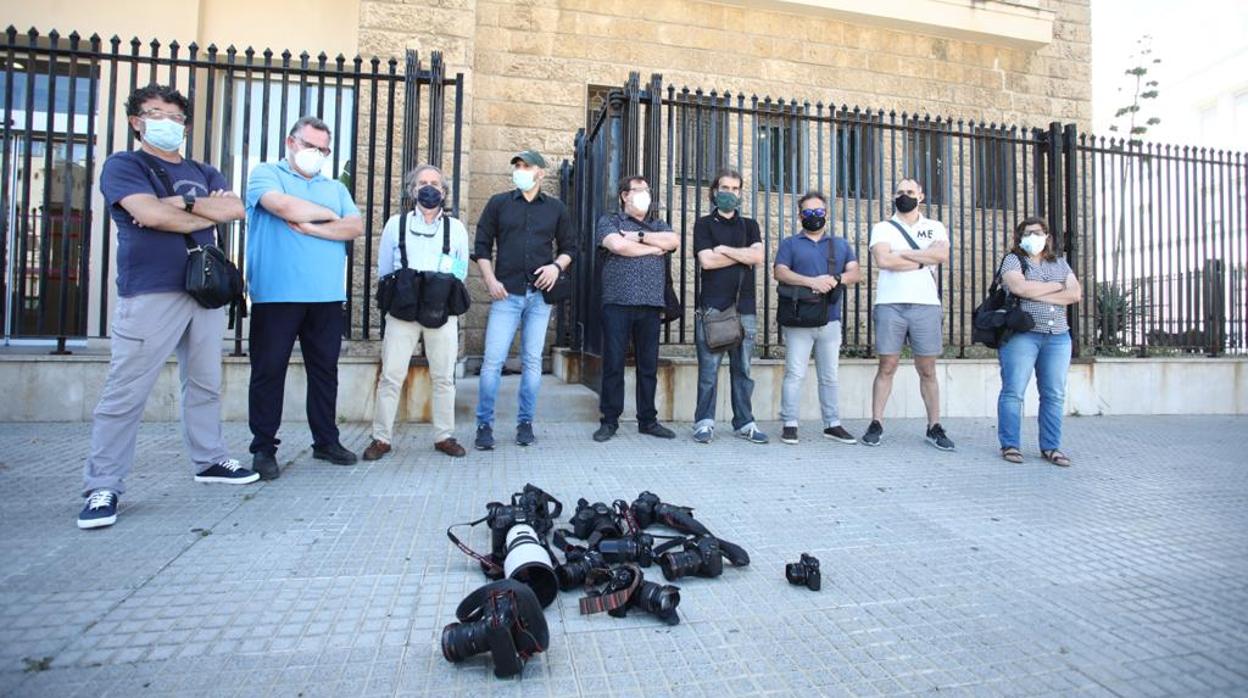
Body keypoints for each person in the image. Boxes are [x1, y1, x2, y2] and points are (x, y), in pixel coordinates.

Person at [79, 83, 256, 530]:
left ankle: (211, 459)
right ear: (137, 121)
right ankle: (104, 485)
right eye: (156, 114)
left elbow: (235, 209)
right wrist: (193, 212)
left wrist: (179, 203)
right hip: (151, 291)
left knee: (205, 383)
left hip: (206, 290)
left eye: (176, 117)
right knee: (126, 391)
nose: (168, 123)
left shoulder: (202, 169)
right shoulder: (125, 165)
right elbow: (148, 215)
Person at [245, 116, 364, 479]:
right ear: (291, 142)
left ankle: (326, 441)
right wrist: (329, 218)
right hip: (276, 294)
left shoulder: (335, 187)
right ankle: (263, 448)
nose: (317, 154)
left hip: (326, 296)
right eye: (310, 145)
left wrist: (312, 227)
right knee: (269, 372)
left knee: (325, 372)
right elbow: (283, 207)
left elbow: (355, 227)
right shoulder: (266, 174)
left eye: (323, 149)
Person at [362, 165, 470, 461]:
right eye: (422, 182)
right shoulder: (395, 225)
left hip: (441, 309)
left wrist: (437, 283)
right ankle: (381, 438)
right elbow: (385, 269)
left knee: (444, 377)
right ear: (412, 190)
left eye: (435, 183)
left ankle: (444, 435)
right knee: (391, 376)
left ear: (444, 192)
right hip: (403, 310)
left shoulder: (455, 228)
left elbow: (461, 270)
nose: (429, 188)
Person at [472, 150, 577, 450]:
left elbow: (570, 247)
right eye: (517, 166)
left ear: (540, 173)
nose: (520, 170)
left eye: (526, 166)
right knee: (492, 362)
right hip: (506, 294)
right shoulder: (498, 204)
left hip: (540, 298)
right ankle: (484, 425)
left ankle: (525, 423)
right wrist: (490, 281)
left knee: (532, 362)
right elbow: (481, 245)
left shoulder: (556, 209)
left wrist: (556, 267)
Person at [864, 178, 954, 450]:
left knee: (927, 369)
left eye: (910, 192)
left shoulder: (934, 226)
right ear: (893, 196)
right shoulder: (882, 227)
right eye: (901, 192)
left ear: (921, 196)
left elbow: (942, 255)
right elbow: (884, 260)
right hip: (890, 304)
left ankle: (934, 426)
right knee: (887, 365)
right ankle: (876, 423)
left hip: (925, 305)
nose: (905, 196)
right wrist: (921, 258)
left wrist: (902, 254)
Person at [593, 175, 681, 442]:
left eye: (647, 189)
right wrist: (652, 249)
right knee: (613, 363)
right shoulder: (610, 221)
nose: (644, 194)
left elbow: (673, 242)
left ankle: (648, 420)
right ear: (624, 195)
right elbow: (616, 245)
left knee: (648, 366)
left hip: (651, 305)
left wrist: (638, 237)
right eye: (638, 190)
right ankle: (609, 421)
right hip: (618, 302)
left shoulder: (659, 224)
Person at [774, 191, 861, 445]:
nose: (814, 217)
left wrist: (835, 280)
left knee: (830, 375)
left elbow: (855, 273)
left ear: (826, 214)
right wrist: (811, 281)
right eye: (809, 212)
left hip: (830, 319)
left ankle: (832, 424)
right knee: (795, 373)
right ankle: (790, 423)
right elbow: (779, 271)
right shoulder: (790, 244)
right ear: (800, 215)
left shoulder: (840, 245)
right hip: (799, 319)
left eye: (819, 212)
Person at [996, 217, 1082, 467]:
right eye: (1027, 233)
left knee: (1054, 393)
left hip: (1058, 337)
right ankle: (1010, 444)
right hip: (1023, 335)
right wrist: (1056, 287)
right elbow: (1020, 289)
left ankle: (1051, 447)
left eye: (1038, 232)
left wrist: (1039, 290)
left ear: (1047, 237)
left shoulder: (1060, 262)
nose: (1033, 237)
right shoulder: (1013, 260)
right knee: (1014, 391)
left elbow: (1075, 294)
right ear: (1019, 238)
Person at [691, 169, 767, 444]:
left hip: (744, 309)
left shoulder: (750, 225)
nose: (729, 193)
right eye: (724, 187)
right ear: (714, 191)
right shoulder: (703, 224)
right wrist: (740, 256)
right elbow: (707, 262)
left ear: (740, 193)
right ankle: (703, 422)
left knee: (743, 371)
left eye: (735, 188)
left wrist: (723, 249)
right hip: (712, 309)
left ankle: (745, 422)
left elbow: (758, 256)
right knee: (708, 372)